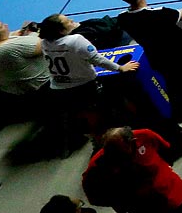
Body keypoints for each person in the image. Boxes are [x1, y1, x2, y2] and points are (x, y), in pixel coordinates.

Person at [39, 14, 137, 150]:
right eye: (68, 21)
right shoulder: (76, 40)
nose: (72, 21)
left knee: (88, 115)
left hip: (59, 88)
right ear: (61, 30)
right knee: (112, 101)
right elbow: (98, 59)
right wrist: (120, 68)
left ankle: (96, 139)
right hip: (83, 85)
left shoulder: (45, 42)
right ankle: (122, 133)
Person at [115, 0, 182, 117]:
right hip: (180, 53)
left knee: (173, 84)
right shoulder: (161, 14)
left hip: (156, 56)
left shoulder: (123, 19)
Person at [0, 17, 52, 104]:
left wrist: (21, 32)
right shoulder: (10, 48)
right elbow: (43, 44)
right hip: (42, 88)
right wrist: (33, 32)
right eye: (1, 27)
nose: (6, 25)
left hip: (12, 94)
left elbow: (7, 40)